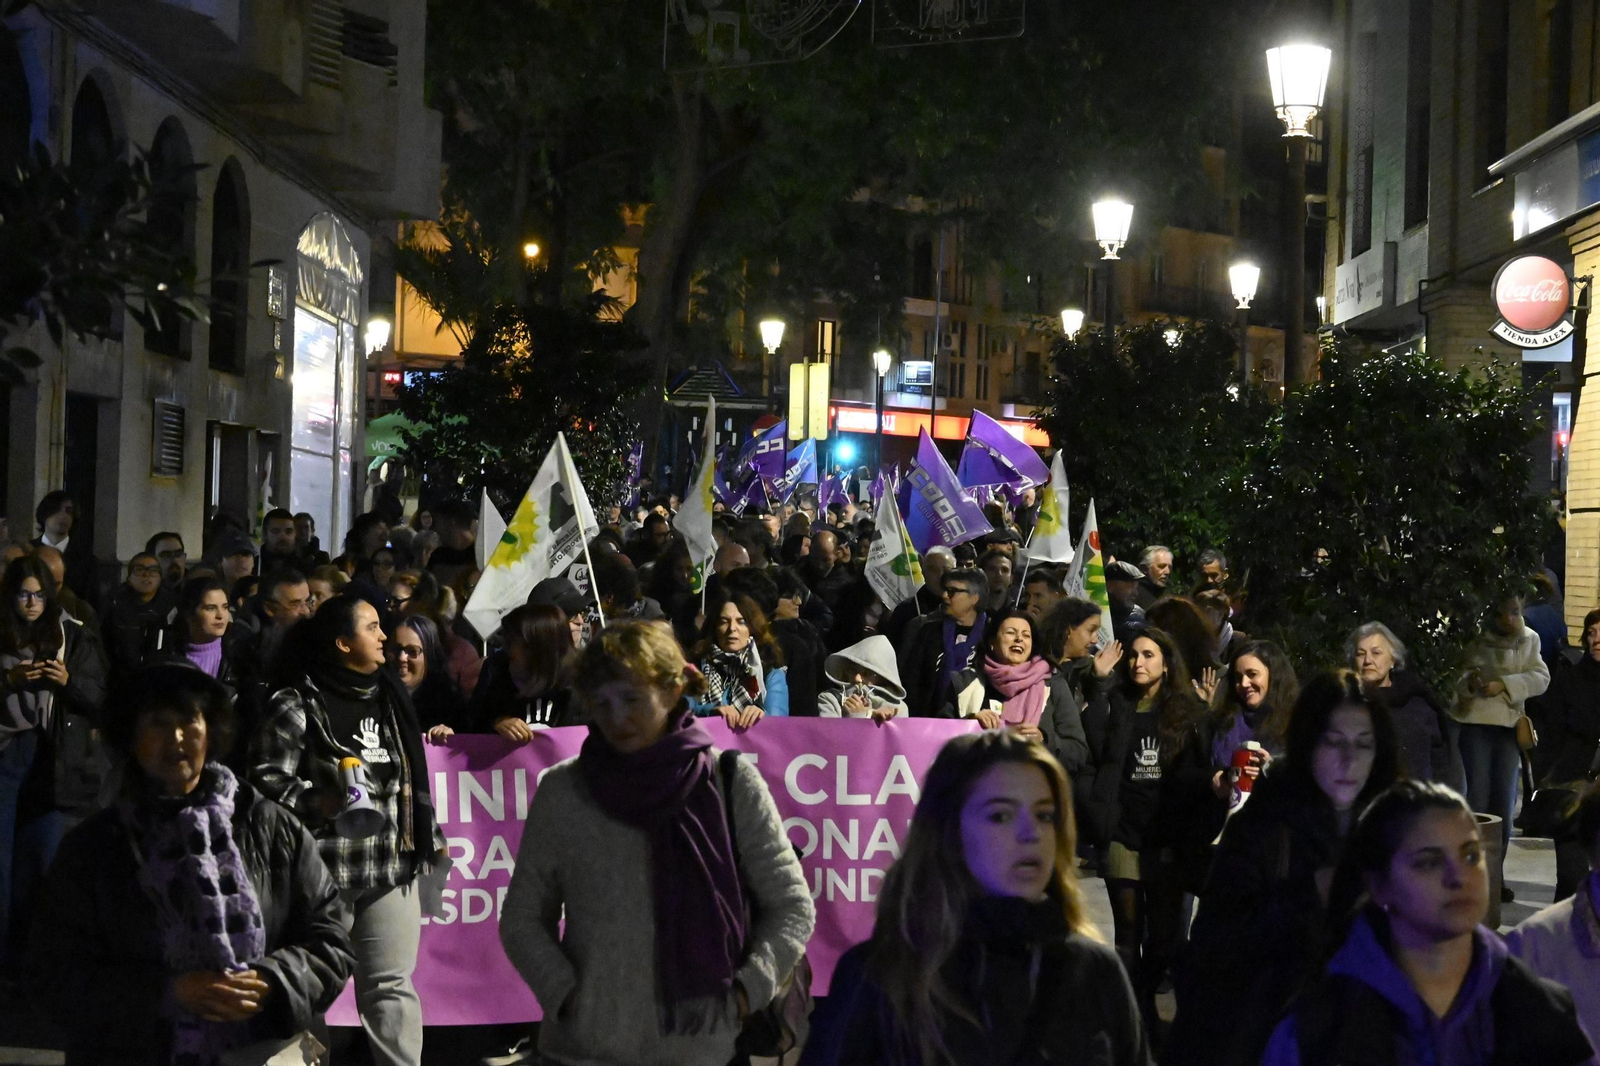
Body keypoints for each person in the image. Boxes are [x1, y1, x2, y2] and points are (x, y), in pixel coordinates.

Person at [499, 620, 815, 1066]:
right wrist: (567, 996)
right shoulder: (564, 791)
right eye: (601, 702)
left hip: (699, 1049)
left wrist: (746, 994)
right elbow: (523, 917)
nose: (617, 718)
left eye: (632, 698)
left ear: (671, 691)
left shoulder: (730, 783)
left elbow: (791, 906)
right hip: (582, 1052)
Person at [32, 663, 355, 1066]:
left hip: (262, 1049)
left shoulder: (270, 826)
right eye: (158, 723)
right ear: (131, 736)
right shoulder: (94, 847)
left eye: (189, 720)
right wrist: (170, 994)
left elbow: (331, 938)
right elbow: (56, 973)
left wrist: (274, 980)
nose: (177, 738)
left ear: (211, 729)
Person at [801, 730, 1149, 1066]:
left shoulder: (1096, 971)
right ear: (948, 831)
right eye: (1000, 815)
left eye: (1044, 815)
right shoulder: (879, 976)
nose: (1031, 833)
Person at [1260, 780, 1598, 1066]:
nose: (1458, 877)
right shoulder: (1319, 1028)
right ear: (1379, 885)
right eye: (1429, 862)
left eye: (1470, 855)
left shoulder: (1540, 1013)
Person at [1166, 672, 1402, 1066]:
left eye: (1364, 745)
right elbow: (1214, 943)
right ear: (1308, 742)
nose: (1350, 760)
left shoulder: (1395, 826)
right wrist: (1310, 892)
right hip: (1271, 1040)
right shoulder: (1265, 823)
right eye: (1334, 741)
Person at [250, 595, 445, 1066]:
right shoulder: (297, 702)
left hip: (388, 870)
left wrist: (427, 842)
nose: (385, 638)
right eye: (373, 628)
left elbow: (409, 778)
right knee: (309, 987)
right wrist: (318, 801)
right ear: (342, 643)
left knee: (391, 986)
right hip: (321, 877)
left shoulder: (391, 698)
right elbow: (265, 779)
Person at [1076, 626, 1209, 1032]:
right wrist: (1098, 683)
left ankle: (1146, 994)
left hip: (1166, 836)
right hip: (1123, 832)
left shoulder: (1186, 708)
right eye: (1134, 655)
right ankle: (1134, 1014)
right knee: (1127, 934)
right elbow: (1096, 746)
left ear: (1166, 663)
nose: (1138, 662)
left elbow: (1199, 770)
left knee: (1164, 937)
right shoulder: (1118, 701)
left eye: (1148, 655)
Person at [0, 555, 108, 969]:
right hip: (8, 752)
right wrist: (8, 680)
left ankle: (31, 962)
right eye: (23, 594)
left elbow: (100, 699)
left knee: (40, 865)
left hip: (53, 758)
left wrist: (68, 681)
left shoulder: (73, 636)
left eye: (39, 595)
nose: (31, 603)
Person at [1450, 596, 1550, 902]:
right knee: (1478, 801)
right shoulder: (1474, 637)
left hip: (1508, 729)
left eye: (1515, 612)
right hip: (1475, 724)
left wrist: (1505, 684)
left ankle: (1495, 875)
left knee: (1503, 806)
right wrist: (1472, 683)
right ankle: (1474, 874)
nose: (1510, 619)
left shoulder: (1528, 639)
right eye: (1504, 612)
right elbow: (1454, 677)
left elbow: (1541, 677)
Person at [943, 610, 1090, 772]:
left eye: (1026, 635)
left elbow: (1078, 752)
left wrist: (1044, 741)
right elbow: (936, 738)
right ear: (992, 641)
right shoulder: (966, 682)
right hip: (974, 786)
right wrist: (970, 723)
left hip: (1030, 789)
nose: (1019, 639)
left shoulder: (1053, 685)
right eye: (1010, 632)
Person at [1348, 621, 1454, 783]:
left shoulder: (1418, 706)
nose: (1367, 660)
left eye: (1376, 653)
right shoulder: (1345, 705)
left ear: (1393, 660)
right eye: (1361, 653)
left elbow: (1440, 762)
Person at [1207, 640, 1300, 798]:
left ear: (1274, 675)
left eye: (1252, 674)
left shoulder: (1298, 723)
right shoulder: (1222, 720)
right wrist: (1215, 777)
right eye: (1238, 677)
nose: (1243, 684)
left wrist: (1271, 767)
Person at [468, 604, 576, 735]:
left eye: (512, 640)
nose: (506, 647)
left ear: (538, 648)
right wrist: (498, 724)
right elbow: (473, 728)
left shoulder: (575, 689)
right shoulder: (498, 674)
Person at [900, 568, 989, 718]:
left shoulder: (990, 636)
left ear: (974, 597)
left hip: (975, 724)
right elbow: (911, 683)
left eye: (952, 591)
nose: (944, 596)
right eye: (945, 590)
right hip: (929, 722)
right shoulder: (929, 632)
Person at [691, 592, 789, 725]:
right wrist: (710, 711)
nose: (732, 628)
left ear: (752, 628)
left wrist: (762, 715)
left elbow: (779, 722)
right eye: (724, 622)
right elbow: (681, 710)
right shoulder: (695, 669)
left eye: (741, 622)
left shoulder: (770, 673)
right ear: (714, 628)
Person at [391, 568, 481, 696]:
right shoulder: (386, 635)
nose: (390, 607)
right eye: (397, 649)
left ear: (421, 601)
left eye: (397, 601)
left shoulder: (458, 649)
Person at [387, 614, 468, 743]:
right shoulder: (375, 697)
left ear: (430, 656)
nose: (402, 658)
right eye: (396, 649)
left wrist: (451, 736)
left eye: (412, 651)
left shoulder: (451, 706)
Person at [102, 551, 177, 679]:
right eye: (139, 569)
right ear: (129, 577)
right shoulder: (114, 603)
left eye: (153, 570)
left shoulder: (171, 605)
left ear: (160, 577)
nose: (146, 574)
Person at [30, 490, 102, 610]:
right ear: (44, 514)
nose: (63, 516)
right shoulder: (29, 550)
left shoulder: (86, 559)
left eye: (68, 511)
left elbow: (92, 603)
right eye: (56, 510)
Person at [818, 635, 907, 721]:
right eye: (852, 670)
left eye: (867, 673)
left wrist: (866, 716)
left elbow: (894, 735)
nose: (857, 679)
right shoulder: (830, 698)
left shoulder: (896, 707)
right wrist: (859, 716)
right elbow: (828, 733)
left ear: (883, 677)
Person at [881, 546, 953, 652]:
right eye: (933, 569)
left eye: (947, 570)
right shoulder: (905, 610)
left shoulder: (961, 608)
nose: (940, 575)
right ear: (923, 571)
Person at [260, 508, 312, 574]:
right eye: (276, 531)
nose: (283, 536)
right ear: (264, 534)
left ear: (295, 534)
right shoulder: (253, 566)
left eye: (288, 531)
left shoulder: (306, 570)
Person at [1133, 546, 1173, 610]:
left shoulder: (1168, 597)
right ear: (1145, 568)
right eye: (1161, 566)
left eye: (1170, 567)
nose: (1167, 572)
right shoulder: (1132, 595)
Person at [977, 548, 1015, 614]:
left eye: (1004, 570)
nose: (999, 574)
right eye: (992, 569)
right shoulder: (972, 609)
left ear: (1011, 578)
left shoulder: (1017, 612)